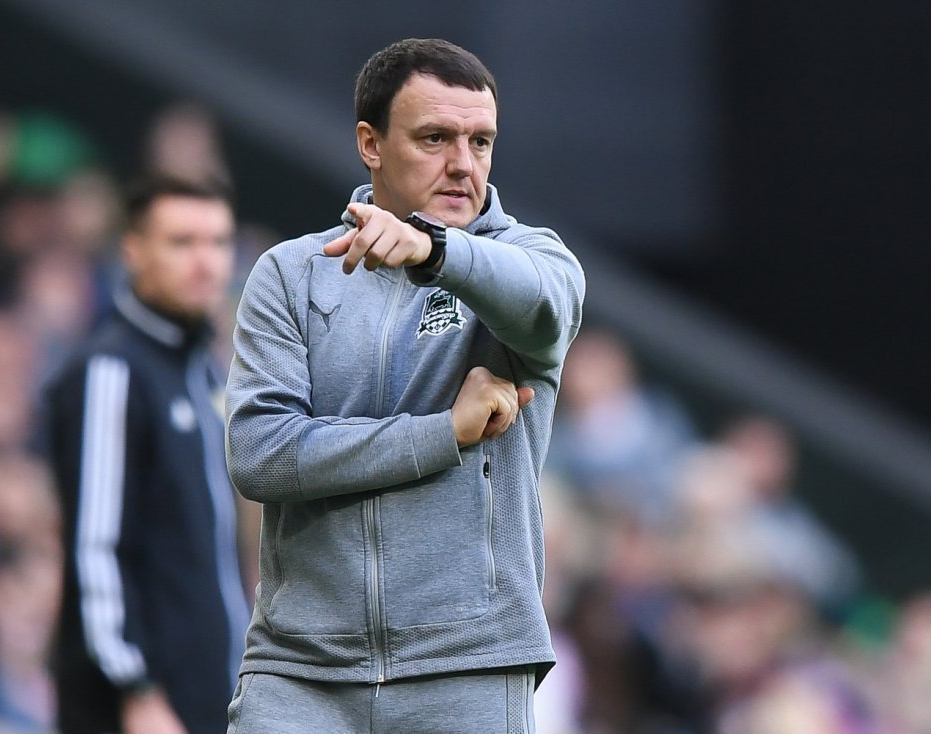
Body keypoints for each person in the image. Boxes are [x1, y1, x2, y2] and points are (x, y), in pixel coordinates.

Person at [224, 38, 586, 732]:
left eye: (481, 142)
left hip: (468, 668)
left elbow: (545, 309)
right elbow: (261, 456)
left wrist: (436, 251)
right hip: (299, 672)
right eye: (435, 138)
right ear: (371, 144)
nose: (463, 164)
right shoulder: (291, 273)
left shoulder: (532, 259)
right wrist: (442, 433)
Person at [46, 176, 250, 734]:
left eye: (219, 242)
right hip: (140, 710)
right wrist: (135, 687)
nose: (206, 263)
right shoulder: (109, 371)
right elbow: (96, 547)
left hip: (208, 697)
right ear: (133, 250)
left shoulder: (204, 373)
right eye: (182, 242)